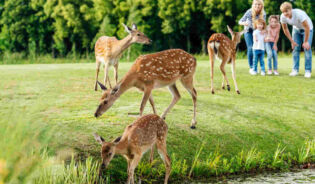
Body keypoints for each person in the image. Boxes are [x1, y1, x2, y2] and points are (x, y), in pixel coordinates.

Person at [280, 2, 313, 78]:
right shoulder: (283, 17)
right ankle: (295, 70)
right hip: (296, 30)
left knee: (307, 48)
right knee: (295, 48)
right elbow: (285, 29)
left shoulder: (299, 14)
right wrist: (292, 41)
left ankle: (307, 71)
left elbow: (307, 27)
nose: (285, 13)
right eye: (283, 12)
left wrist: (306, 41)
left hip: (307, 29)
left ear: (291, 9)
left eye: (287, 11)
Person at [239, 0, 266, 74]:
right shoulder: (249, 12)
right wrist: (245, 23)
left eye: (259, 4)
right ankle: (252, 67)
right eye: (255, 4)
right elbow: (240, 21)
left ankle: (259, 67)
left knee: (258, 48)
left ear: (262, 5)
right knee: (251, 48)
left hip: (257, 32)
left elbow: (264, 24)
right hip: (248, 31)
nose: (257, 6)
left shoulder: (263, 14)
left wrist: (264, 31)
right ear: (253, 5)